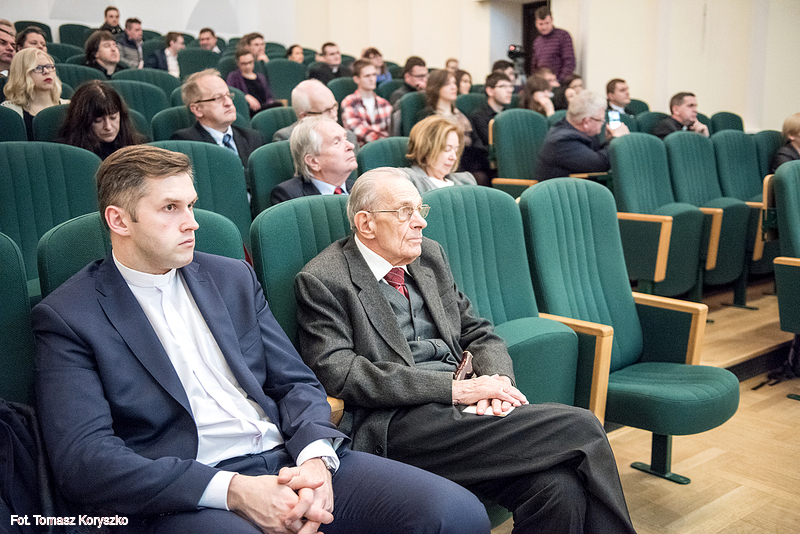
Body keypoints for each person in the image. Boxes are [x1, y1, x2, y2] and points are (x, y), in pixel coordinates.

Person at [32, 144, 492, 534]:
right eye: (171, 208)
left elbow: (296, 382)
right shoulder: (70, 315)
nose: (192, 222)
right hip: (190, 490)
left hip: (289, 457)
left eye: (191, 205)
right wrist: (233, 491)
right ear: (119, 220)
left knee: (456, 514)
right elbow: (84, 460)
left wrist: (315, 458)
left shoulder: (230, 277)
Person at [294, 167, 637, 534]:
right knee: (582, 426)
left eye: (420, 210)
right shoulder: (323, 278)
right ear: (366, 224)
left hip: (463, 409)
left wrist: (497, 383)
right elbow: (340, 372)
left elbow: (477, 331)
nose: (420, 222)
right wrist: (456, 390)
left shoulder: (429, 256)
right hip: (398, 423)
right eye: (405, 212)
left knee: (558, 490)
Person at [171, 69, 265, 168]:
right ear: (197, 109)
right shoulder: (186, 143)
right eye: (218, 98)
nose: (229, 103)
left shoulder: (254, 138)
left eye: (228, 95)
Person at [537, 90, 629, 181]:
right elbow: (599, 164)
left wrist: (611, 139)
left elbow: (596, 155)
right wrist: (617, 138)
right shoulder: (562, 141)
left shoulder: (578, 133)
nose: (603, 123)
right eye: (600, 120)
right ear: (586, 122)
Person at [271, 116, 357, 206]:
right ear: (313, 162)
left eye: (346, 139)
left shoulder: (358, 189)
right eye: (336, 142)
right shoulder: (291, 197)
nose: (351, 146)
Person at [57, 80, 145, 160]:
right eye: (98, 120)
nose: (108, 127)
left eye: (113, 118)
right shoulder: (66, 152)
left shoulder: (137, 144)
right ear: (83, 122)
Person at [2, 48, 67, 140]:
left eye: (49, 66)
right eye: (38, 68)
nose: (46, 71)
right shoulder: (10, 112)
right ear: (22, 74)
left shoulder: (70, 107)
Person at [272, 79, 358, 148]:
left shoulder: (348, 137)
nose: (334, 115)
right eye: (327, 111)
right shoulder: (287, 139)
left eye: (335, 106)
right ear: (304, 116)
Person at [403, 115, 477, 192]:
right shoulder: (408, 179)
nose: (454, 157)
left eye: (456, 150)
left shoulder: (466, 180)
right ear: (426, 149)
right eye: (447, 149)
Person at [468, 71, 514, 182]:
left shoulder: (511, 115)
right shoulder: (479, 116)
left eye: (510, 86)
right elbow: (492, 143)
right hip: (487, 165)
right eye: (503, 86)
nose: (509, 90)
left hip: (508, 160)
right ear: (490, 91)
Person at [341, 59, 392, 146]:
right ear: (356, 79)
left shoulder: (384, 103)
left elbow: (391, 131)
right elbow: (355, 129)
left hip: (384, 146)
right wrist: (380, 139)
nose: (372, 79)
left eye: (374, 75)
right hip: (361, 149)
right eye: (367, 76)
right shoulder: (349, 102)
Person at [416, 69, 473, 147]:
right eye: (447, 84)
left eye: (454, 83)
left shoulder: (461, 113)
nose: (454, 87)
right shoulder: (427, 117)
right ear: (436, 87)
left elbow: (476, 142)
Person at [227, 47, 279, 117]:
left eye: (250, 62)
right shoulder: (233, 77)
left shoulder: (261, 77)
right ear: (238, 63)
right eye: (244, 64)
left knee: (278, 106)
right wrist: (245, 96)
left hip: (264, 108)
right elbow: (230, 93)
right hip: (248, 111)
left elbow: (269, 97)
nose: (248, 66)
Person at [531, 6, 576, 83]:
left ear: (552, 20)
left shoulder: (563, 36)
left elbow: (569, 61)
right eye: (541, 24)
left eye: (547, 23)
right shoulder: (537, 41)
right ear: (536, 24)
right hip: (541, 83)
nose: (544, 27)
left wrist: (560, 80)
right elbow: (534, 65)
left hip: (559, 82)